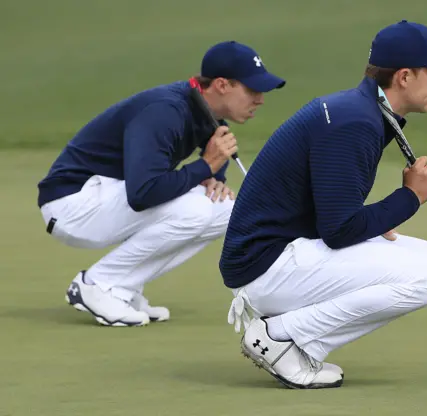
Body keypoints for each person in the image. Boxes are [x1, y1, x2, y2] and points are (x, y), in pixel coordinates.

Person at [220, 20, 427, 389]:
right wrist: (409, 197)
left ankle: (288, 339)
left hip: (277, 254)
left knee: (426, 256)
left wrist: (379, 218)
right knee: (424, 276)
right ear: (404, 76)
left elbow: (333, 213)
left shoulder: (361, 111)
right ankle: (282, 337)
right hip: (265, 267)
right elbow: (338, 232)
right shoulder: (356, 122)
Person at [37, 41, 286, 327]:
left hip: (105, 197)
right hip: (73, 204)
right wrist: (205, 166)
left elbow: (212, 156)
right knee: (196, 210)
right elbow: (143, 193)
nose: (260, 99)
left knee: (224, 209)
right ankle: (98, 284)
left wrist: (213, 176)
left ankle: (122, 289)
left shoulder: (205, 112)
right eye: (252, 90)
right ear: (221, 85)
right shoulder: (164, 111)